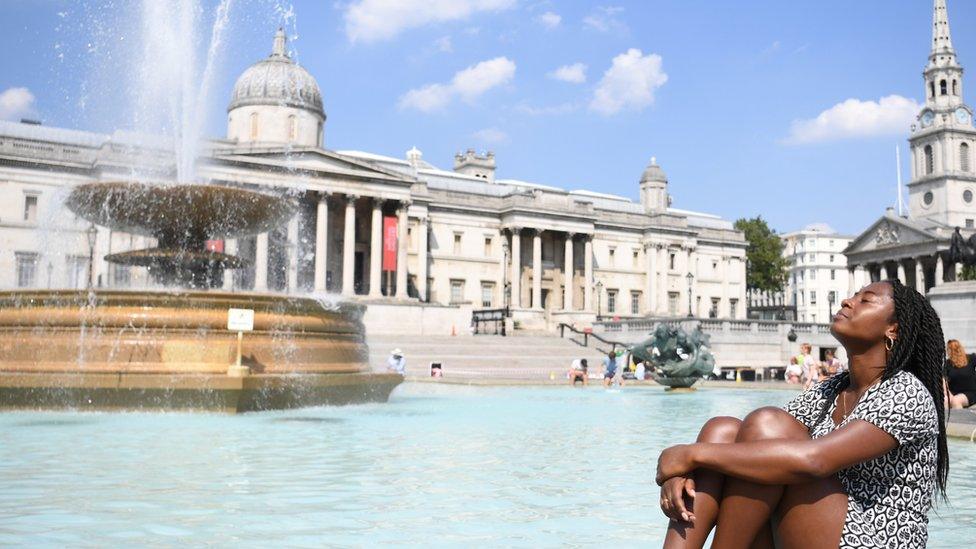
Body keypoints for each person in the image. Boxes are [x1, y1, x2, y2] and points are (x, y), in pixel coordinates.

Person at [656, 279, 948, 548]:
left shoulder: (906, 392)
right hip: (819, 525)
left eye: (865, 300)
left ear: (893, 329)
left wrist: (689, 455)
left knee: (766, 428)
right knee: (722, 431)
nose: (848, 301)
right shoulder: (833, 388)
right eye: (853, 296)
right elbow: (753, 441)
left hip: (873, 537)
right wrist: (680, 470)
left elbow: (813, 460)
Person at [945, 339, 976, 409]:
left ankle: (959, 420)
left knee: (956, 401)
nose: (948, 351)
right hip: (953, 393)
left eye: (950, 349)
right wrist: (949, 395)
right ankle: (946, 420)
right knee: (945, 401)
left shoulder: (971, 358)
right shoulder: (948, 363)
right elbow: (943, 381)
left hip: (969, 393)